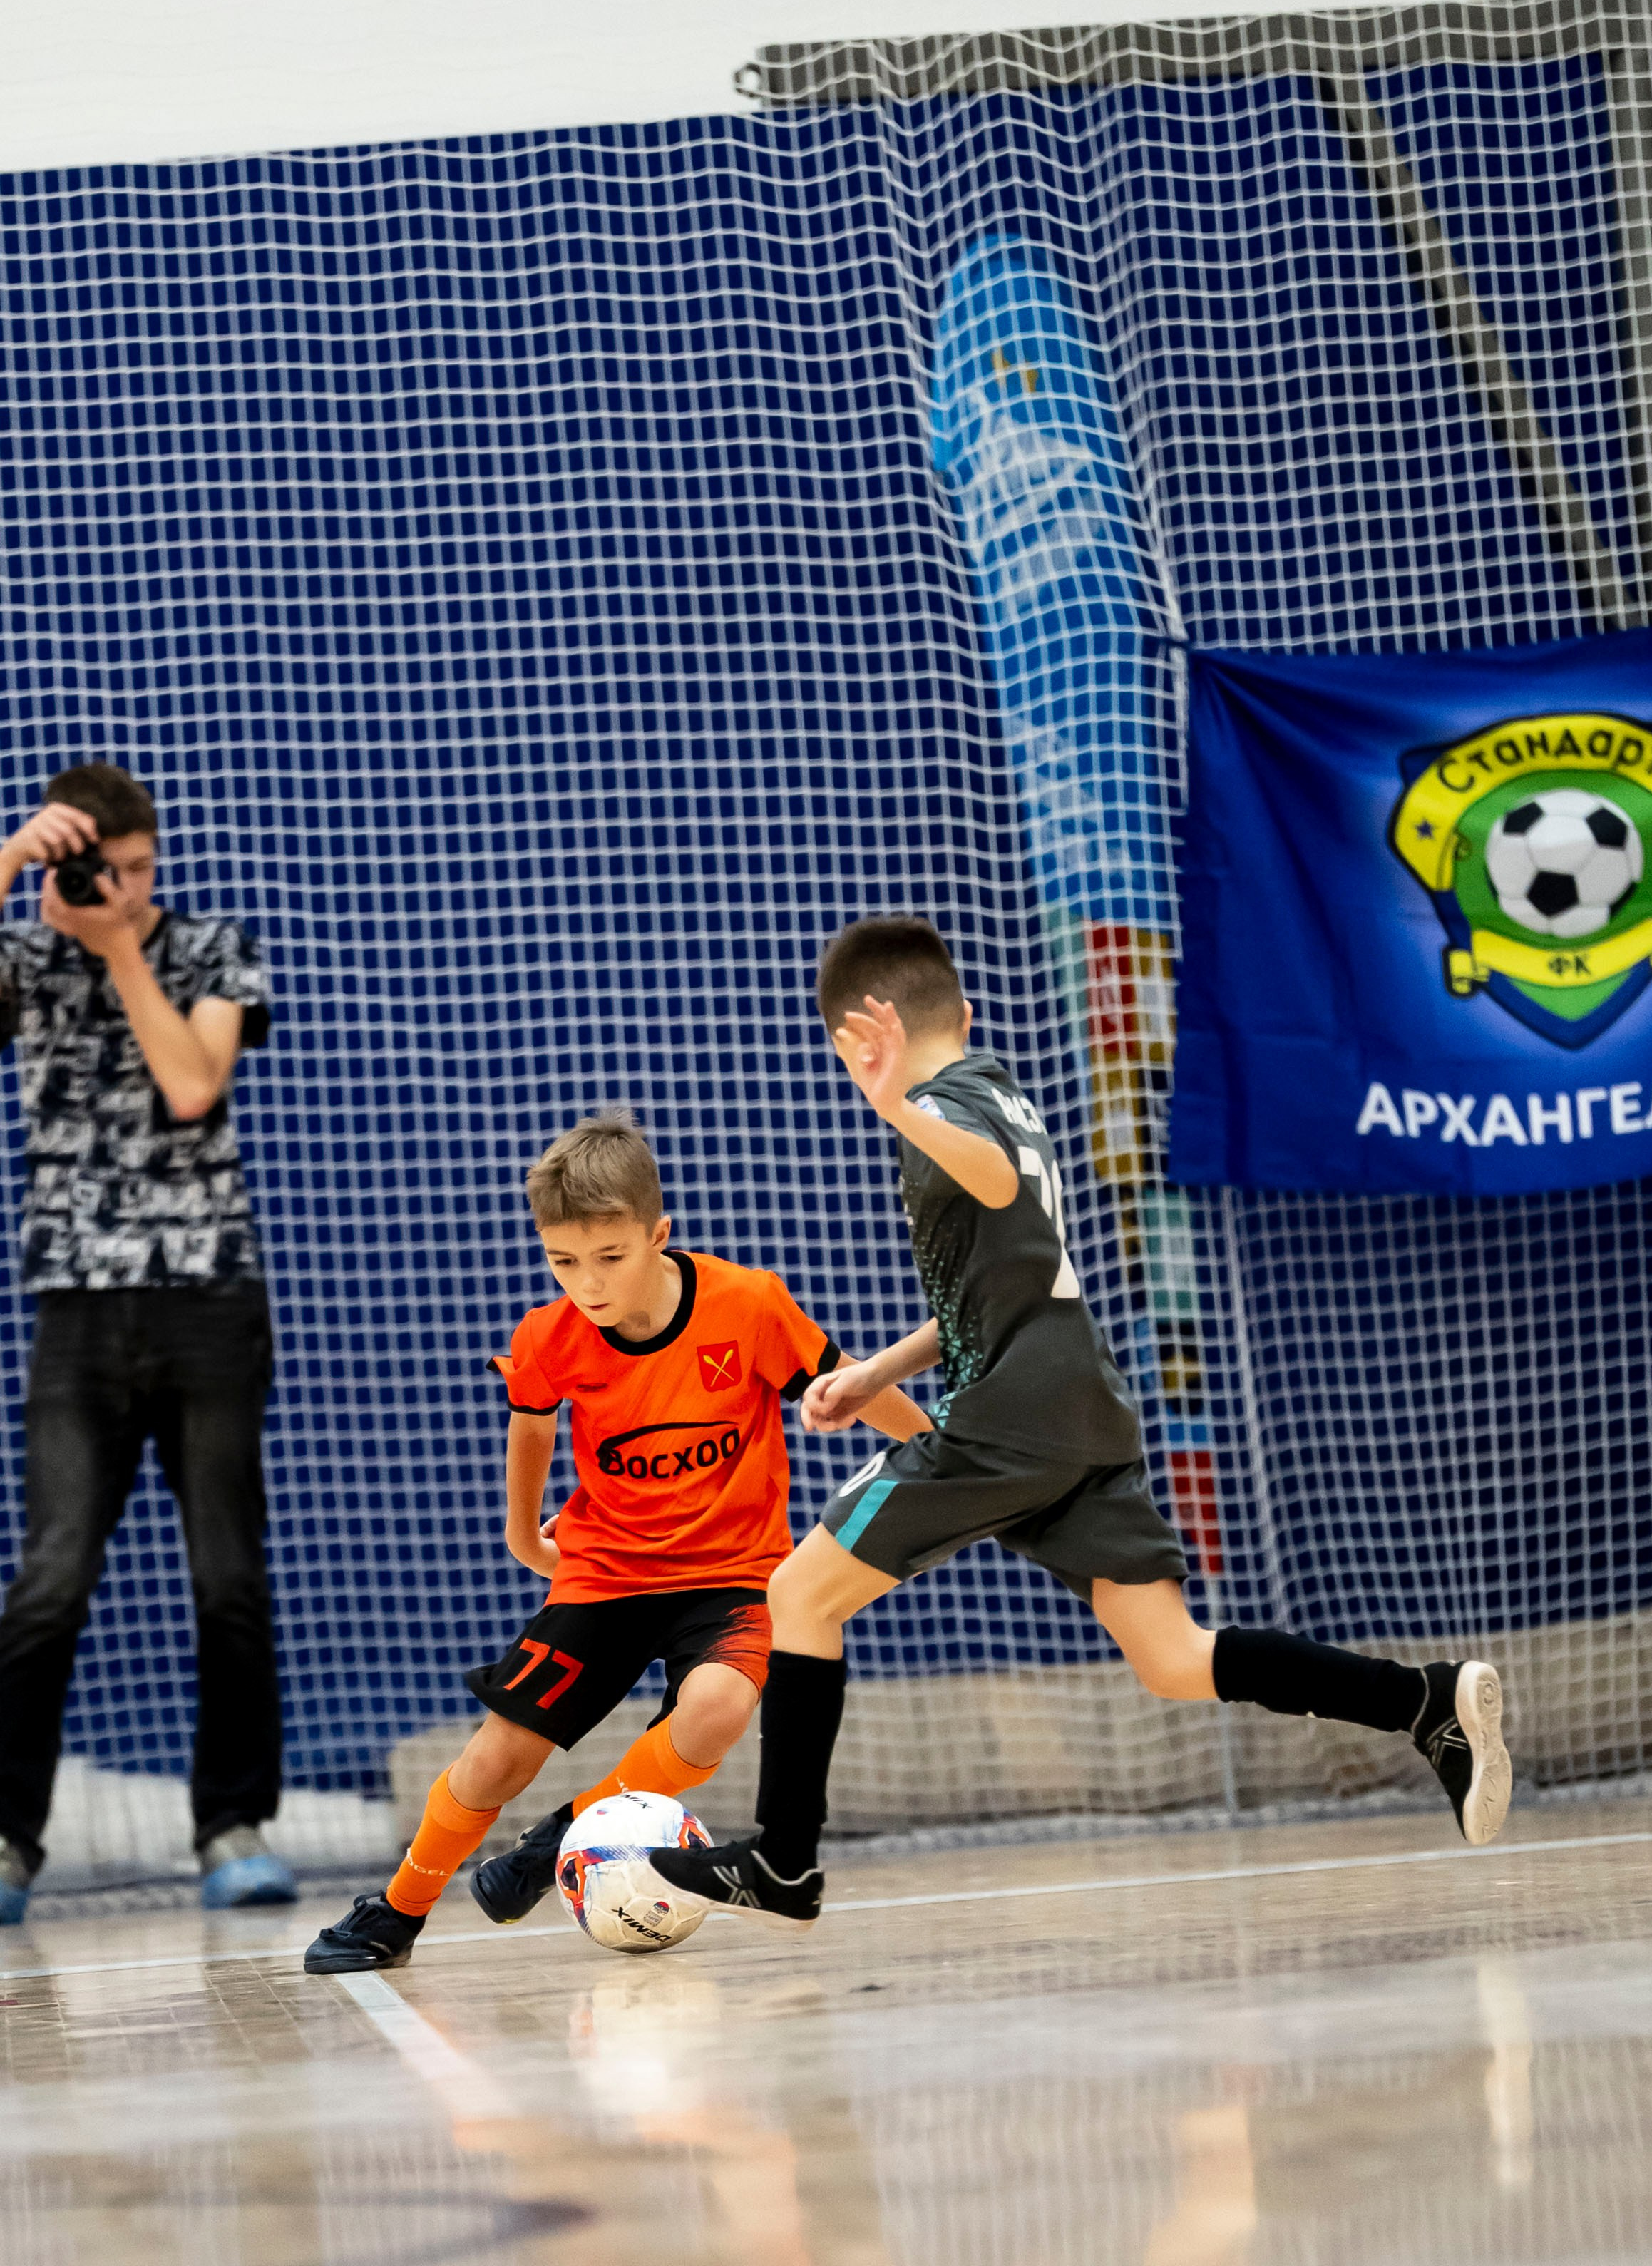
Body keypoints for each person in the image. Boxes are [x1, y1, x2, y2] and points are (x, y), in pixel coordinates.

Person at [650, 913, 1513, 1928]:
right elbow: (1002, 1278)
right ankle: (1422, 1701)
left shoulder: (939, 1110)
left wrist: (894, 1104)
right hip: (1078, 1411)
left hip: (1008, 1420)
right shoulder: (1002, 1088)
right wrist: (873, 1370)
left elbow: (993, 1181)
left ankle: (785, 1862)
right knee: (1173, 1659)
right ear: (962, 1011)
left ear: (854, 1034)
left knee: (797, 1593)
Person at [304, 1107, 928, 1974]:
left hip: (735, 1576)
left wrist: (934, 1448)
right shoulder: (550, 1335)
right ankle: (397, 1908)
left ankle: (557, 1841)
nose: (587, 1283)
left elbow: (846, 1383)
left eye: (610, 1257)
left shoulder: (747, 1304)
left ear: (658, 1234)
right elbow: (531, 1436)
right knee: (497, 1757)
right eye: (563, 1261)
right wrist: (525, 1539)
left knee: (716, 1708)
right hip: (606, 1573)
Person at [0, 762, 293, 1924]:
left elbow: (188, 1084)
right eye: (92, 871)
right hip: (76, 1306)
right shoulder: (23, 959)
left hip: (208, 1300)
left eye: (133, 870)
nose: (114, 888)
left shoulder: (212, 946)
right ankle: (7, 1840)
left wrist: (121, 945)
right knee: (48, 1582)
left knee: (226, 1576)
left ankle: (233, 1826)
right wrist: (12, 857)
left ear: (154, 860)